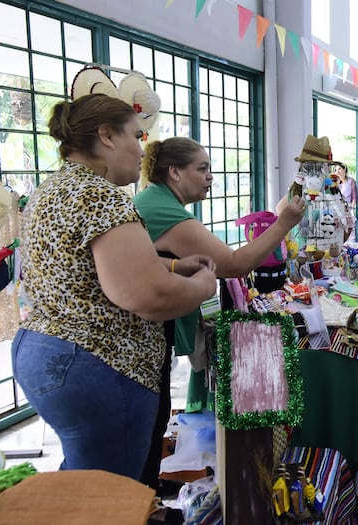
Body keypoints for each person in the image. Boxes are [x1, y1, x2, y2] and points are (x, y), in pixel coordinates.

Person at [12, 94, 218, 480]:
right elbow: (148, 296)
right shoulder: (101, 196)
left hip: (43, 350)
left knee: (83, 478)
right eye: (136, 136)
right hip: (95, 361)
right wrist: (204, 284)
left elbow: (89, 266)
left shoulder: (54, 189)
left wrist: (171, 263)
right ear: (106, 136)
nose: (142, 150)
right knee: (110, 495)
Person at [133, 136, 305, 489]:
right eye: (203, 168)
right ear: (175, 172)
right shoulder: (164, 209)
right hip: (141, 333)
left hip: (149, 329)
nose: (210, 176)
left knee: (154, 413)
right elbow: (233, 263)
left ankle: (146, 492)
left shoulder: (158, 202)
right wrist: (284, 222)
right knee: (148, 417)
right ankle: (142, 498)